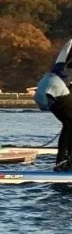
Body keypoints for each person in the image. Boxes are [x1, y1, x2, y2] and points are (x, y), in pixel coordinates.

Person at [34, 38, 72, 171]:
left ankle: (64, 161)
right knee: (69, 124)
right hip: (56, 87)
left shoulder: (64, 54)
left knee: (68, 124)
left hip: (43, 86)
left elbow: (67, 46)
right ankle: (62, 161)